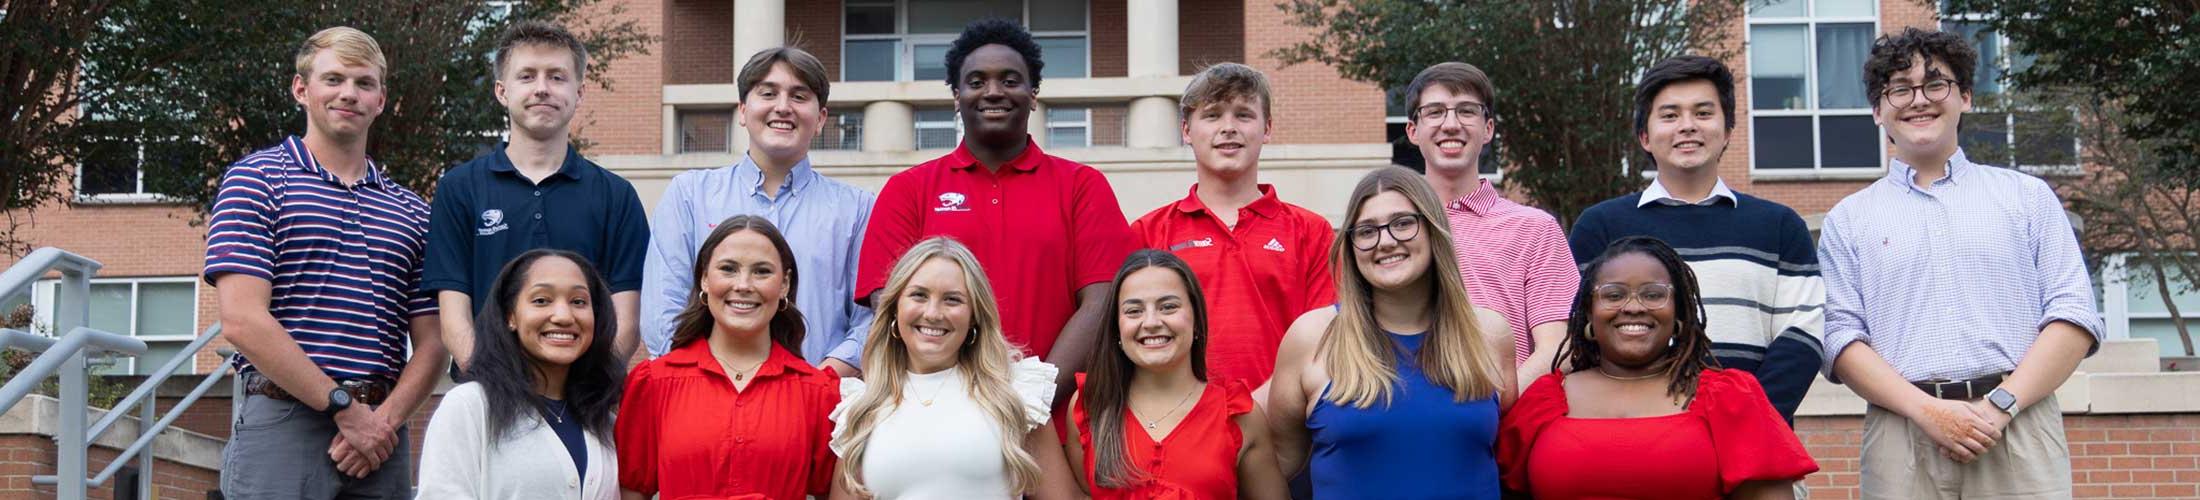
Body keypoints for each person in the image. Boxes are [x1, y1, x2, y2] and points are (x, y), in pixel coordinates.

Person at [1819, 27, 2102, 499]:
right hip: (1901, 436)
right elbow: (1840, 338)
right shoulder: (1848, 220)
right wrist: (1929, 412)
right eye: (1900, 89)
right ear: (1877, 110)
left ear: (1966, 97)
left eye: (1936, 84)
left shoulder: (2027, 198)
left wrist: (1998, 408)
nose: (1919, 100)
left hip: (2019, 427)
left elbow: (2073, 315)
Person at [205, 27, 444, 499]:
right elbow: (241, 320)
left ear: (381, 100)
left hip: (381, 435)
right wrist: (343, 408)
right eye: (333, 79)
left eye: (364, 83)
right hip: (284, 422)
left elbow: (434, 344)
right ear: (302, 89)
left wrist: (382, 422)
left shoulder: (414, 211)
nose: (349, 94)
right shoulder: (256, 180)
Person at [855, 19, 1136, 395]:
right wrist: (964, 398)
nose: (992, 92)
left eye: (1009, 80)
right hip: (941, 409)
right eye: (976, 82)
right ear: (957, 96)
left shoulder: (1082, 187)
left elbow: (1103, 302)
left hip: (1053, 415)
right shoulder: (908, 190)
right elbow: (893, 304)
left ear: (1033, 94)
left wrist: (1035, 395)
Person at [1566, 55, 1824, 423]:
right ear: (1644, 136)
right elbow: (1582, 335)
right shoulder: (1601, 228)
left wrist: (1744, 422)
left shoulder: (1780, 226)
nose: (1687, 126)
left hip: (1752, 443)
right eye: (1670, 116)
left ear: (1728, 130)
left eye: (1703, 113)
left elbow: (1804, 335)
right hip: (1634, 438)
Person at [1498, 237, 1818, 499]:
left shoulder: (1729, 398)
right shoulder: (1542, 401)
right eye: (1613, 294)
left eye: (1653, 294)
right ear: (1588, 314)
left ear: (1678, 315)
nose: (1634, 307)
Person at [1267, 166, 1516, 499]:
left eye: (1402, 223)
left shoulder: (1489, 333)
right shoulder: (1311, 337)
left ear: (1433, 230)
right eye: (1367, 231)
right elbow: (1277, 466)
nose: (1385, 242)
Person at [427, 20, 648, 371]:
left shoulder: (616, 196)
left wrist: (580, 395)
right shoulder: (459, 188)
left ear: (579, 92)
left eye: (557, 77)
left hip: (583, 407)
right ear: (502, 91)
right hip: (487, 399)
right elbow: (454, 322)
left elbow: (625, 324)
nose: (542, 89)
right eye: (527, 76)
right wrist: (500, 392)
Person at [643, 46, 874, 376]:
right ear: (742, 109)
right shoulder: (690, 196)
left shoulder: (858, 209)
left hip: (823, 405)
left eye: (799, 96)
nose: (782, 107)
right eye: (768, 93)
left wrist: (821, 381)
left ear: (821, 118)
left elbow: (872, 318)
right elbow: (663, 311)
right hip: (705, 397)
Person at [1129, 63, 1335, 387]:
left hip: (1282, 422)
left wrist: (1267, 408)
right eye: (1212, 115)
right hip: (1183, 423)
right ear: (1186, 131)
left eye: (1243, 114)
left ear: (1266, 128)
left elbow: (1323, 342)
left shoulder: (1311, 231)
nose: (1228, 127)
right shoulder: (1148, 232)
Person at [829, 237, 1081, 499]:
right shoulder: (862, 407)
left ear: (974, 315)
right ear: (894, 308)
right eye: (919, 295)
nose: (933, 313)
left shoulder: (1015, 394)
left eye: (952, 300)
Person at [616, 216, 840, 500]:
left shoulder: (819, 393)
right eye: (728, 269)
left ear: (784, 284)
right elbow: (631, 491)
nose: (744, 284)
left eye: (761, 271)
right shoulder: (654, 383)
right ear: (704, 280)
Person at [1403, 62, 1578, 389]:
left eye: (1467, 111)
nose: (1451, 124)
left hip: (1507, 423)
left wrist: (1490, 409)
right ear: (1413, 131)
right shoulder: (1392, 230)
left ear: (1488, 129)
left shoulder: (1535, 229)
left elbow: (1558, 347)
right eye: (1435, 112)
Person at [1066, 249, 1291, 499]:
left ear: (1196, 319)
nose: (1151, 322)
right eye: (1134, 311)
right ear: (1116, 329)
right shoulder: (1090, 405)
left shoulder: (1237, 414)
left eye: (1168, 307)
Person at [418, 250, 625, 499]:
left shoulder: (605, 422)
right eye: (541, 300)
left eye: (578, 302)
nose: (563, 316)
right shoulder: (469, 407)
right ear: (510, 317)